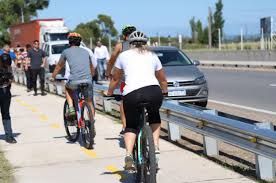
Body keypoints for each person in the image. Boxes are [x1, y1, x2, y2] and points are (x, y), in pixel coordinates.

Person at [105, 31, 168, 170]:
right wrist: (165, 91)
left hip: (132, 94)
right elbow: (162, 78)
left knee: (131, 124)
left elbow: (115, 78)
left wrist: (109, 92)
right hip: (153, 91)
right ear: (145, 43)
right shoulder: (152, 55)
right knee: (154, 117)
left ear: (131, 44)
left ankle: (128, 155)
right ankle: (156, 147)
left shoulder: (123, 55)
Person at [51, 32, 95, 118]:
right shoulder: (86, 51)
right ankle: (91, 122)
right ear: (79, 42)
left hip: (74, 81)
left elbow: (59, 66)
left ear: (69, 42)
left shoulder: (66, 52)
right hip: (88, 80)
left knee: (67, 88)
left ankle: (71, 108)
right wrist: (91, 76)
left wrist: (53, 76)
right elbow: (92, 67)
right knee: (89, 102)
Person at [106, 25, 137, 135]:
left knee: (124, 102)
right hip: (141, 76)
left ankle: (125, 126)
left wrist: (107, 72)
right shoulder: (141, 45)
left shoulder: (120, 46)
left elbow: (111, 60)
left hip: (125, 78)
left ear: (124, 35)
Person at [0, 52, 17, 143]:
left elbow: (11, 79)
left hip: (5, 91)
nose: (6, 65)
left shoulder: (9, 68)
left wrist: (7, 79)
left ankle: (9, 136)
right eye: (4, 63)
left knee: (6, 114)